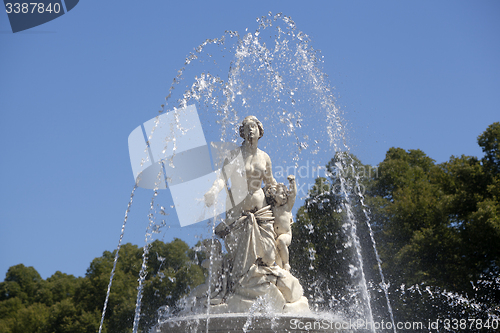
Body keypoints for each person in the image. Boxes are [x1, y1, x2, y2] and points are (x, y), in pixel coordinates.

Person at [266, 175, 297, 271]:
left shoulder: (287, 207)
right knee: (274, 250)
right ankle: (280, 267)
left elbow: (293, 195)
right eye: (282, 194)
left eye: (285, 194)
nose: (284, 196)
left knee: (281, 241)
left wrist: (292, 182)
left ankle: (286, 264)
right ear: (274, 196)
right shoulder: (272, 208)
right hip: (275, 237)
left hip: (286, 235)